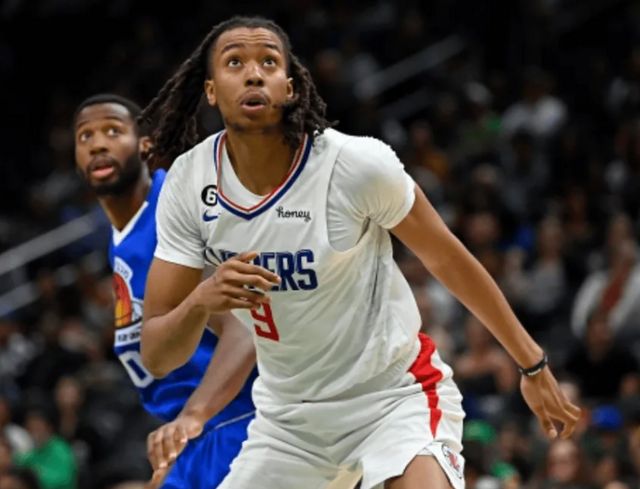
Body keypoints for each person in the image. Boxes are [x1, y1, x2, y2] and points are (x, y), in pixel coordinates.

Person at [140, 16, 581, 489]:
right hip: (289, 424)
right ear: (210, 91)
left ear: (289, 86)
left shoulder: (353, 165)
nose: (253, 74)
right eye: (234, 63)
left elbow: (447, 258)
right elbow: (158, 355)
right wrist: (202, 300)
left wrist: (532, 364)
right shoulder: (190, 182)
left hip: (392, 398)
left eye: (268, 62)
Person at [73, 94, 257, 487]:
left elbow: (246, 328)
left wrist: (192, 417)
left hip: (240, 423)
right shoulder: (123, 239)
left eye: (112, 131)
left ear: (145, 144)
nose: (98, 144)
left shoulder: (173, 211)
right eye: (85, 136)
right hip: (201, 439)